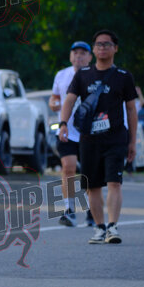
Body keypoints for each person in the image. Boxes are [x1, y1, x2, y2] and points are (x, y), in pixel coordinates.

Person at [58, 30, 138, 244]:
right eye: (99, 44)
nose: (102, 48)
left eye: (107, 44)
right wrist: (63, 123)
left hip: (116, 138)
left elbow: (131, 109)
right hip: (89, 139)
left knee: (114, 183)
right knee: (92, 186)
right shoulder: (83, 75)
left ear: (115, 48)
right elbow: (69, 100)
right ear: (94, 49)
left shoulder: (123, 76)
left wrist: (132, 141)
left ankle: (112, 226)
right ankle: (100, 227)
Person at [49, 41, 92, 227]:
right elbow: (55, 97)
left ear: (90, 57)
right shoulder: (61, 75)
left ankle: (92, 210)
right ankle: (69, 209)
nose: (78, 56)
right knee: (68, 167)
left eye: (83, 53)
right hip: (66, 130)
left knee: (89, 172)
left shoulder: (95, 74)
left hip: (89, 131)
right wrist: (53, 104)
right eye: (75, 53)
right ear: (70, 56)